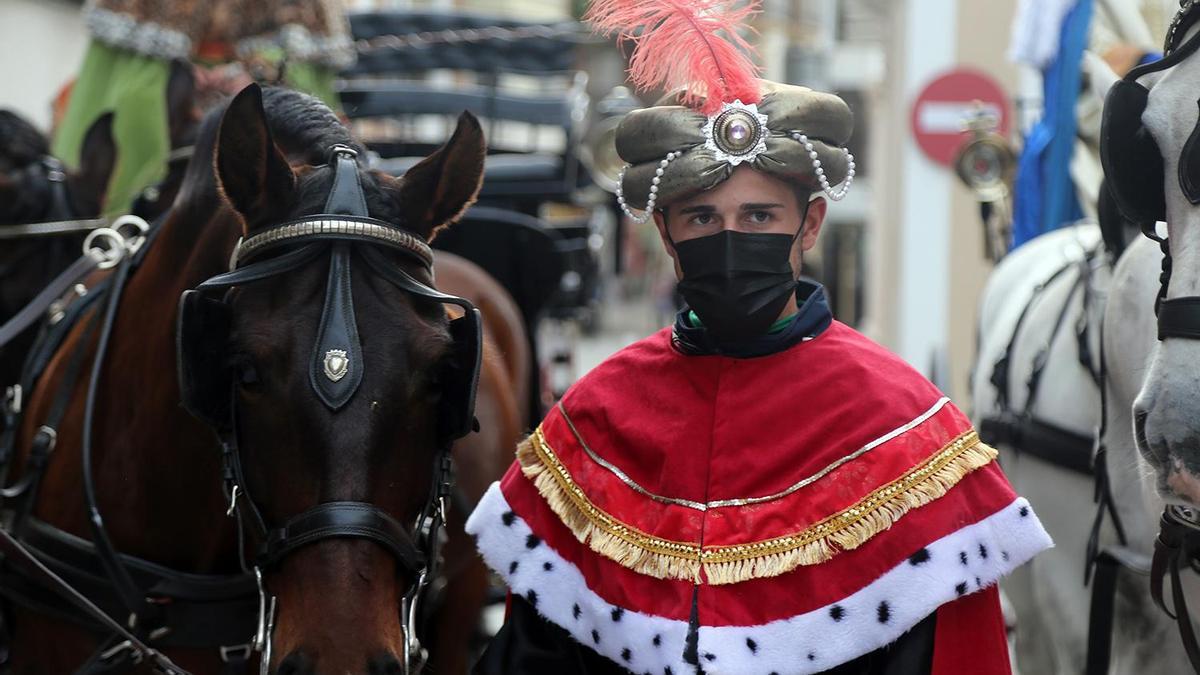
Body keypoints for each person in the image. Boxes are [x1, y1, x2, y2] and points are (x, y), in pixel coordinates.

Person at [466, 2, 1052, 673]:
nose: (731, 237)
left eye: (759, 213)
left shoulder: (904, 423)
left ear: (810, 225)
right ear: (666, 233)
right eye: (701, 217)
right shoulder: (594, 416)